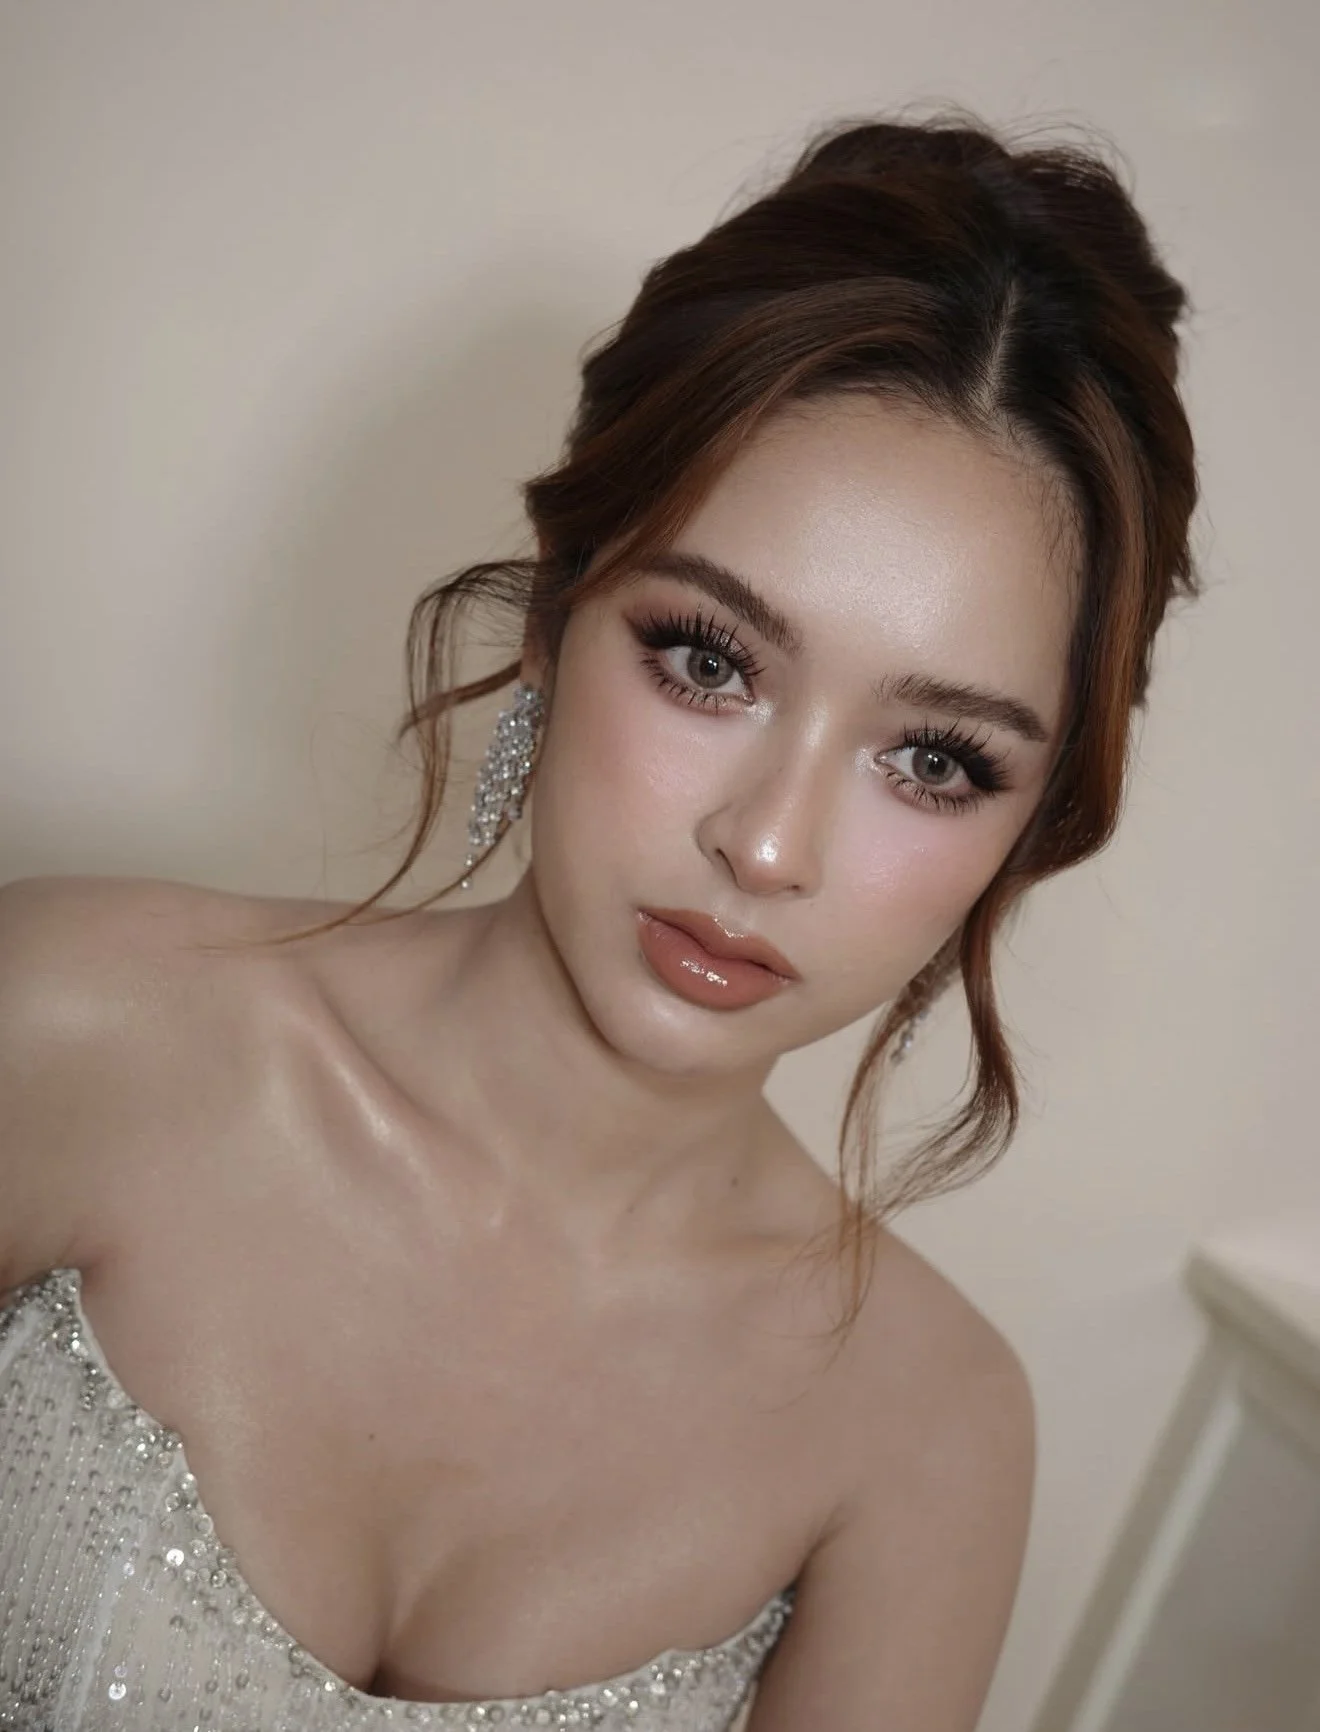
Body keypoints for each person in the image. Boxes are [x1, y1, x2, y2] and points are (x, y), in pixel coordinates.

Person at [0, 110, 1198, 1732]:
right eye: (711, 660)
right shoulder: (71, 1027)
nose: (766, 845)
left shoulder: (927, 1439)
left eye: (934, 760)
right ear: (561, 611)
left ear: (1031, 831)